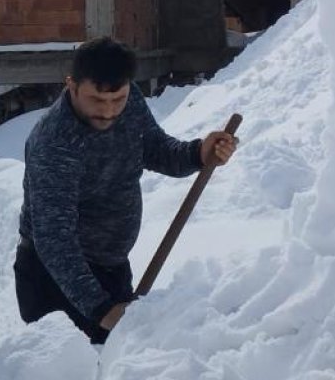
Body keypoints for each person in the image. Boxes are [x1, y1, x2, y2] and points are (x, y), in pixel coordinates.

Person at [14, 36, 237, 343]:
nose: (108, 111)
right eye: (97, 100)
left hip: (112, 268)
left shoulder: (129, 103)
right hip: (56, 281)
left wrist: (199, 153)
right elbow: (54, 239)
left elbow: (154, 148)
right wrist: (100, 309)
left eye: (117, 99)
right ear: (71, 85)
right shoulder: (55, 144)